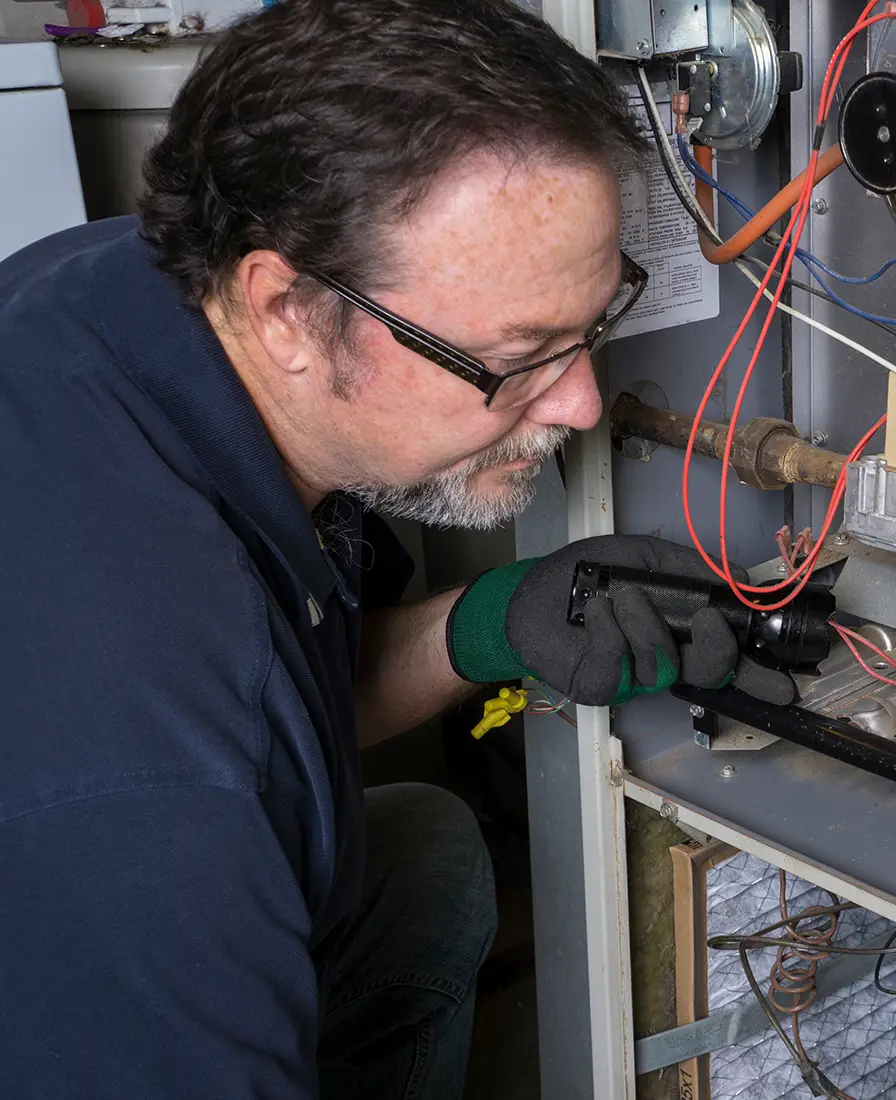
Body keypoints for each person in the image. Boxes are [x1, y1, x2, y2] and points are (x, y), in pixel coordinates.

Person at [0, 0, 791, 1096]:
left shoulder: (128, 286)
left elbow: (288, 707)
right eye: (517, 356)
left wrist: (489, 621)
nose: (577, 402)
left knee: (421, 851)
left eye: (591, 327)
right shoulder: (162, 788)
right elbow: (224, 743)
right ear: (286, 308)